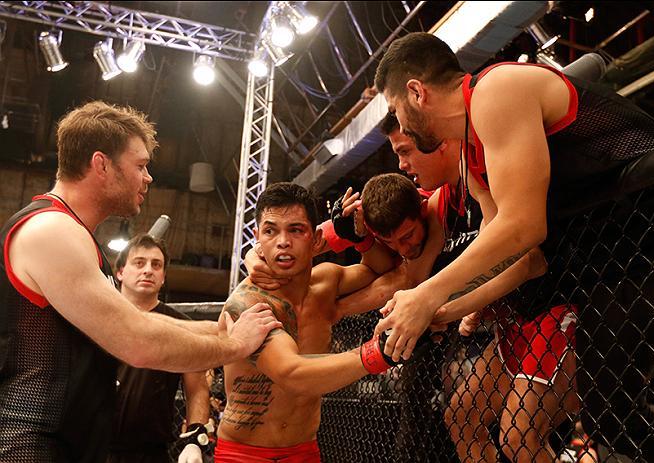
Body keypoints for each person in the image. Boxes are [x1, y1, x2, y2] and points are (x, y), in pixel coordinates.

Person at [374, 32, 654, 460]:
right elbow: (521, 259)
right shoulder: (474, 158)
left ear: (416, 93)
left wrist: (428, 293)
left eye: (395, 109)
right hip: (619, 264)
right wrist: (442, 307)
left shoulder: (495, 89)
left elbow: (523, 226)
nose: (400, 124)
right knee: (609, 416)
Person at [0, 101, 280, 463]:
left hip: (58, 445)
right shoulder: (52, 230)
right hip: (27, 446)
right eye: (141, 166)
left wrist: (219, 329)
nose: (148, 178)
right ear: (101, 164)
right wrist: (235, 346)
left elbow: (142, 321)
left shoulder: (72, 233)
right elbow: (137, 341)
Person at [215, 182, 407, 463]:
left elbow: (386, 269)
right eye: (270, 231)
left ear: (317, 240)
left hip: (304, 450)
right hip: (243, 454)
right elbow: (293, 374)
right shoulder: (247, 303)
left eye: (295, 230)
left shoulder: (327, 282)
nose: (283, 241)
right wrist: (379, 352)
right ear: (257, 238)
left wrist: (360, 238)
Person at [106, 234, 210, 463]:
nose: (148, 270)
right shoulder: (98, 318)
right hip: (91, 447)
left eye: (156, 265)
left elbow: (197, 388)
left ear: (163, 277)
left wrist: (195, 439)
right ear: (120, 272)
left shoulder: (183, 328)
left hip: (150, 451)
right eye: (139, 263)